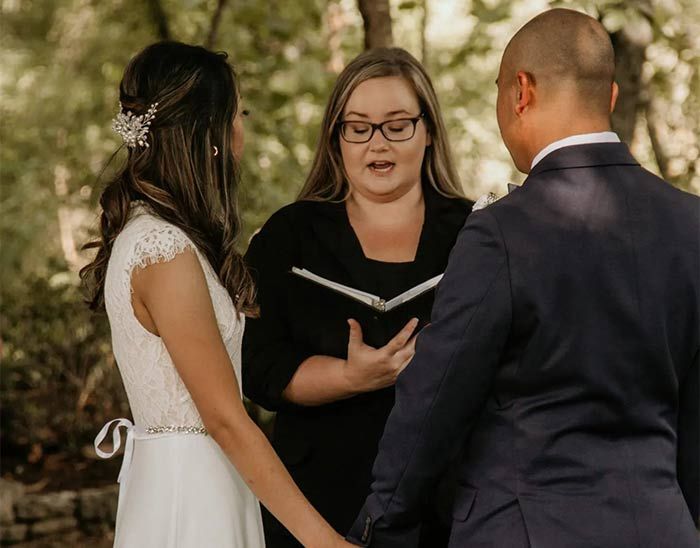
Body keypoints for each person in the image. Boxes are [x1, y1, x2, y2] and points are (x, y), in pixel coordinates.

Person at [347, 9, 699, 548]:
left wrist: (383, 521)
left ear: (520, 92)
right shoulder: (691, 226)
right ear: (609, 97)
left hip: (524, 530)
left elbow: (437, 397)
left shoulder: (502, 232)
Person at [81, 41, 350, 548]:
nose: (241, 130)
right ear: (209, 134)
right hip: (192, 494)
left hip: (195, 481)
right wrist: (325, 541)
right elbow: (226, 418)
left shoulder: (157, 236)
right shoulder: (163, 250)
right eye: (237, 113)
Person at [242, 47, 473, 548]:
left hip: (448, 507)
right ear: (336, 137)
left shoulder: (477, 235)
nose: (377, 143)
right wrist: (352, 377)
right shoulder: (290, 236)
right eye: (359, 126)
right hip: (317, 504)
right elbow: (259, 370)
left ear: (428, 130)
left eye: (397, 125)